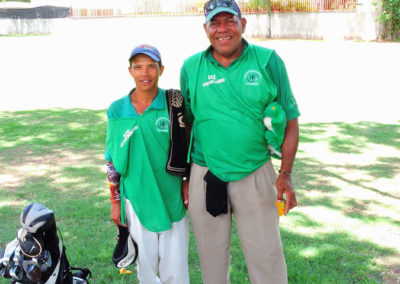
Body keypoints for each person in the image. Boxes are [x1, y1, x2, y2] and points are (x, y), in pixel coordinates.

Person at [180, 1, 300, 283]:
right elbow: (187, 126)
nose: (223, 29)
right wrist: (185, 178)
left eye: (229, 21)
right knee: (211, 263)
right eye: (215, 23)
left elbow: (292, 121)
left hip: (255, 173)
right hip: (205, 175)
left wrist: (285, 174)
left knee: (267, 260)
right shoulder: (191, 67)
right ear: (206, 28)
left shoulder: (268, 60)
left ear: (243, 24)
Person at [105, 44, 190, 284]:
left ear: (161, 69)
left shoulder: (174, 103)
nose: (145, 73)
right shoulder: (117, 110)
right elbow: (111, 161)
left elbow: (189, 147)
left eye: (151, 66)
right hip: (136, 199)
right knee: (146, 268)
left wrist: (186, 182)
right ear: (130, 71)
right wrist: (115, 202)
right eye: (138, 67)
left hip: (171, 195)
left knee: (176, 269)